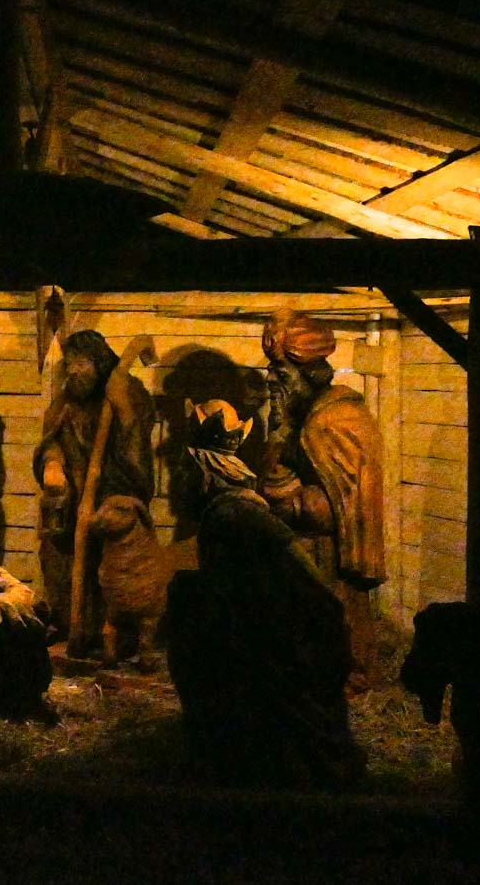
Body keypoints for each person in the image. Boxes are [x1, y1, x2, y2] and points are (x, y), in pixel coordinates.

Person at [166, 399, 363, 787]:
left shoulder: (233, 516)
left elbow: (286, 585)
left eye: (185, 471)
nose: (179, 482)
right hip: (267, 630)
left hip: (280, 639)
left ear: (206, 473)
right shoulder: (229, 512)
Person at [257, 308, 386, 691]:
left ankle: (346, 676)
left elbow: (341, 505)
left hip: (330, 559)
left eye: (281, 374)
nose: (271, 381)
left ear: (308, 374)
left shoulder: (335, 420)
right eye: (271, 371)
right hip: (300, 557)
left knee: (335, 625)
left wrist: (295, 503)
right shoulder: (297, 418)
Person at [33, 329, 155, 645]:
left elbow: (137, 460)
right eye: (69, 363)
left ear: (99, 363)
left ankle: (111, 632)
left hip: (112, 496)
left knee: (113, 559)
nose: (72, 370)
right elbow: (51, 441)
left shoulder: (128, 392)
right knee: (60, 553)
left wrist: (123, 411)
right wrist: (52, 463)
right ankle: (70, 624)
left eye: (81, 363)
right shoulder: (67, 402)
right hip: (72, 500)